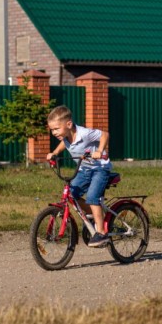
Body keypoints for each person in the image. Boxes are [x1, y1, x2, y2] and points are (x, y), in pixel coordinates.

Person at [46, 105, 112, 247]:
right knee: (72, 195)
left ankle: (101, 233)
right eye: (52, 130)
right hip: (83, 170)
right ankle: (95, 215)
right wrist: (55, 153)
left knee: (92, 197)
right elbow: (64, 143)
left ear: (69, 124)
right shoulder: (66, 137)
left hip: (99, 168)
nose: (54, 132)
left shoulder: (84, 133)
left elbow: (105, 135)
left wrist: (100, 150)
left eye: (56, 128)